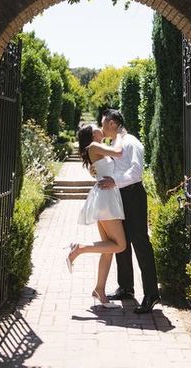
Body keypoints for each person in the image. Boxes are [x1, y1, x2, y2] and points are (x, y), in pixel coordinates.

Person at [98, 109, 161, 314]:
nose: (102, 127)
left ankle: (151, 294)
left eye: (104, 123)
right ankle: (126, 288)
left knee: (140, 242)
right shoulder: (113, 144)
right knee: (120, 241)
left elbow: (136, 171)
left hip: (133, 196)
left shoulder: (131, 142)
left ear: (114, 123)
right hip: (118, 196)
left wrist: (114, 181)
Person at [66, 124, 127, 308]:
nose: (102, 127)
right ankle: (79, 249)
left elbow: (108, 162)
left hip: (106, 196)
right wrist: (121, 133)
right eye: (97, 127)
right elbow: (119, 152)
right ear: (93, 134)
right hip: (106, 199)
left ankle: (99, 290)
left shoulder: (97, 147)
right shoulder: (94, 146)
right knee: (120, 245)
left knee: (107, 249)